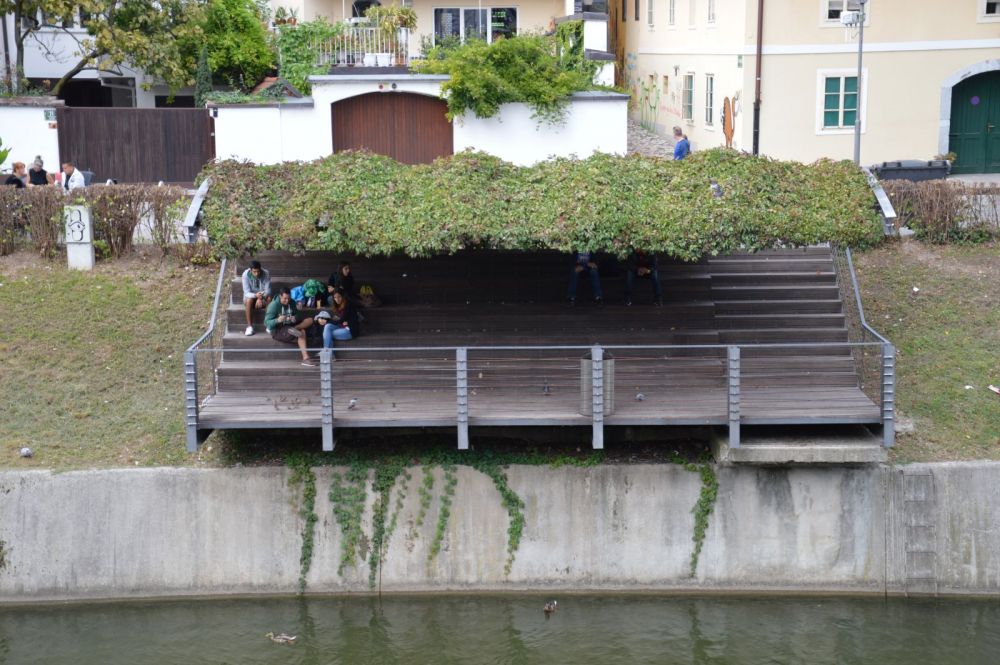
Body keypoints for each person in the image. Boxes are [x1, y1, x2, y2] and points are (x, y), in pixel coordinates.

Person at [265, 288, 316, 366]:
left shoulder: (292, 302)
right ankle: (306, 359)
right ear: (280, 296)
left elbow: (298, 314)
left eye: (289, 298)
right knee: (301, 333)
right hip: (278, 329)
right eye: (285, 298)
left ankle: (295, 329)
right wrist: (277, 320)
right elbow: (266, 323)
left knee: (310, 320)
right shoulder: (273, 305)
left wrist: (295, 318)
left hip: (291, 325)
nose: (287, 300)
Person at [320, 289, 359, 358]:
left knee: (328, 334)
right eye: (335, 297)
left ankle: (327, 353)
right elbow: (339, 321)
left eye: (339, 297)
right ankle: (329, 354)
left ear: (343, 297)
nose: (337, 299)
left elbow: (341, 320)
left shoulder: (348, 305)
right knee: (328, 326)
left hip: (349, 331)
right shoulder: (338, 305)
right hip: (342, 327)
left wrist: (327, 321)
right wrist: (328, 321)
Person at [241, 260, 271, 336]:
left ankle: (269, 324)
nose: (256, 274)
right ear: (250, 270)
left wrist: (260, 298)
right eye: (254, 272)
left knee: (269, 298)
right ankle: (249, 327)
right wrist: (255, 296)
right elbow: (246, 292)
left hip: (262, 296)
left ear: (260, 269)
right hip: (250, 297)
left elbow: (268, 290)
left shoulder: (266, 273)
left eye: (258, 271)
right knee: (249, 300)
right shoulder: (245, 275)